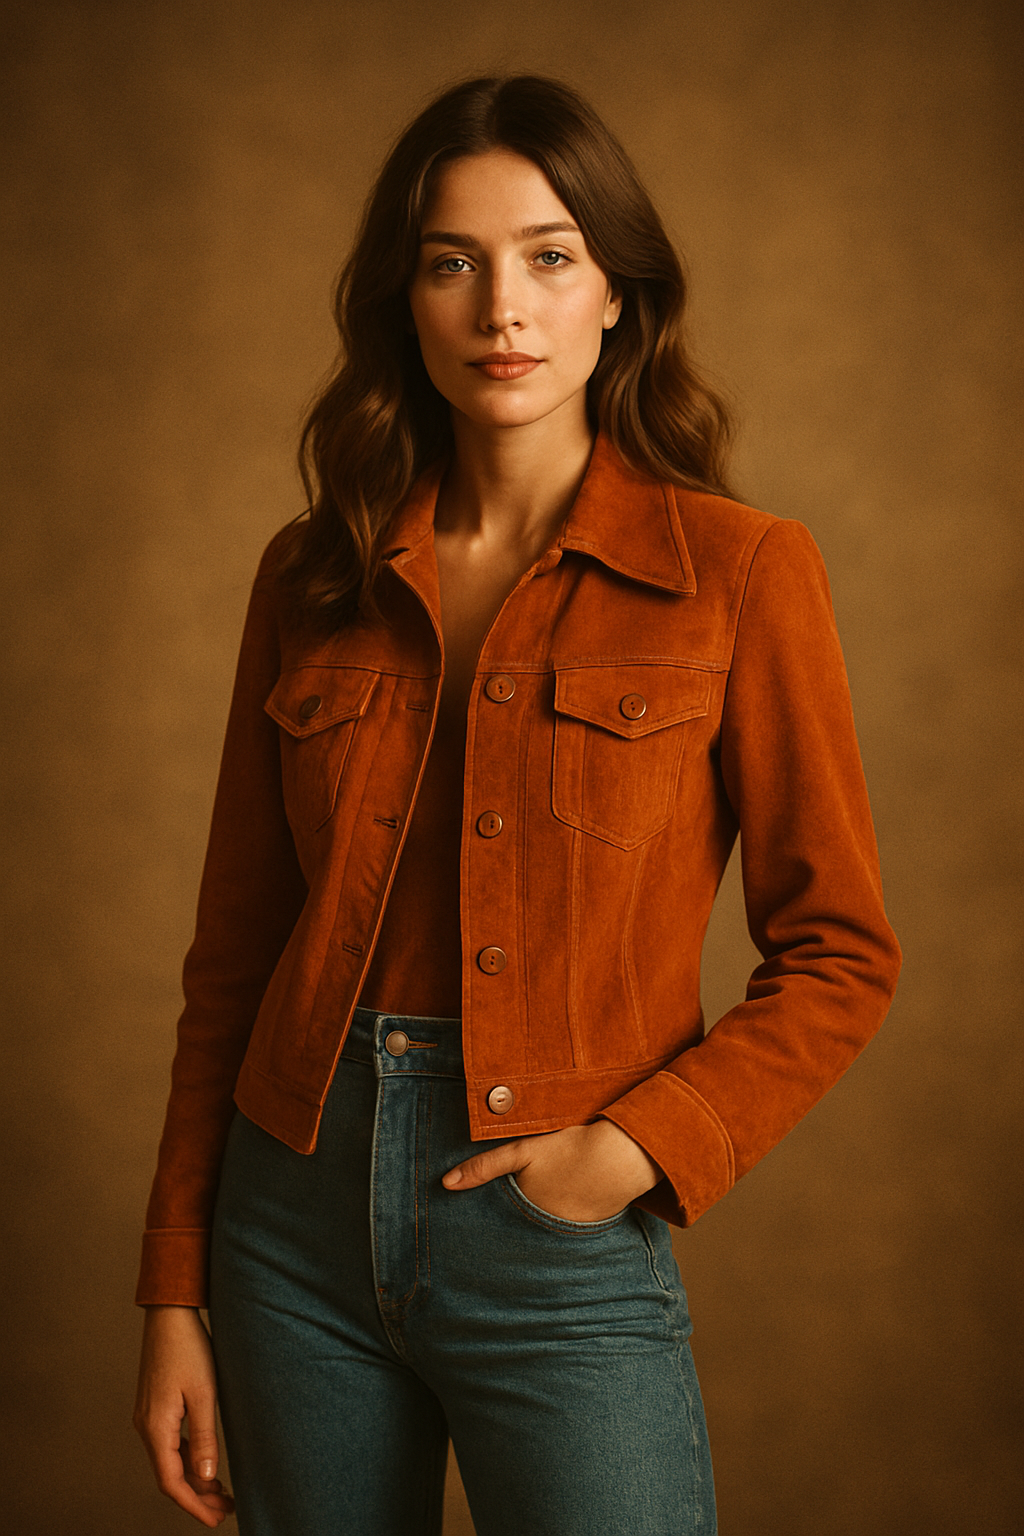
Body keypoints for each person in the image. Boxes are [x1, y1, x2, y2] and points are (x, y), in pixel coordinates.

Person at [132, 73, 901, 1536]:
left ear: (617, 295)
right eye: (453, 262)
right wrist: (174, 1286)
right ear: (405, 301)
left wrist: (634, 1151)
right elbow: (233, 956)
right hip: (286, 1227)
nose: (503, 308)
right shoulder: (312, 575)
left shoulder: (741, 574)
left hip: (556, 1227)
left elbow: (843, 951)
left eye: (550, 256)